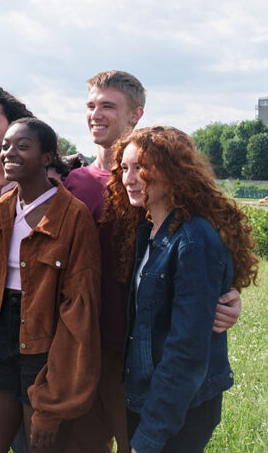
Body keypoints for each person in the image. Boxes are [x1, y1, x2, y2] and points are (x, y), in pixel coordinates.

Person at [64, 71, 242, 453]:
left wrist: (229, 295)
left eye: (107, 106)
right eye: (90, 105)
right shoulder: (76, 184)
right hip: (95, 352)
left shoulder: (190, 234)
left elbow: (188, 339)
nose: (130, 177)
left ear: (135, 114)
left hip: (151, 373)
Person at [104, 126, 257, 453]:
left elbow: (186, 353)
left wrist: (149, 437)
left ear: (172, 171)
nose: (128, 178)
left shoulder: (193, 241)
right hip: (146, 397)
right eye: (125, 169)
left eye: (140, 169)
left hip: (178, 409)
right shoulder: (148, 230)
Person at [0, 118, 101, 453]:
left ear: (47, 157)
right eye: (6, 147)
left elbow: (79, 309)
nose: (9, 153)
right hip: (0, 339)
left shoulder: (73, 216)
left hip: (45, 346)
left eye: (22, 146)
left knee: (41, 446)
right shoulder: (4, 207)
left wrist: (53, 398)